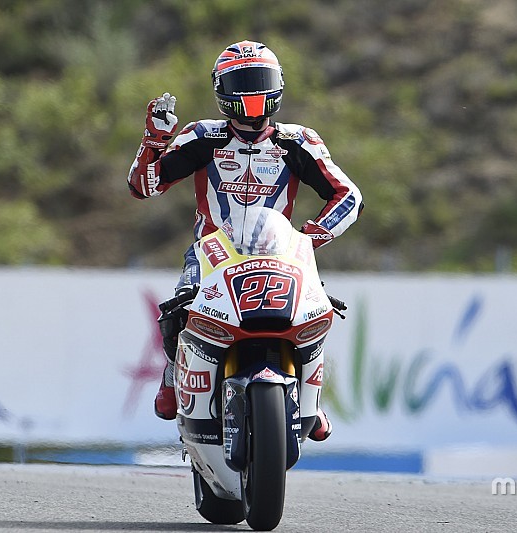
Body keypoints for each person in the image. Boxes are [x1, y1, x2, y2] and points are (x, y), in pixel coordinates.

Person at [126, 40, 363, 441]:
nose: (253, 95)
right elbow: (144, 188)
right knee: (175, 310)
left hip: (281, 251)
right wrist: (153, 142)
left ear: (280, 87)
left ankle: (312, 402)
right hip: (211, 250)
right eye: (243, 83)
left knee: (315, 311)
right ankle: (172, 373)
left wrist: (310, 237)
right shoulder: (201, 136)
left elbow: (349, 196)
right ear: (222, 91)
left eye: (261, 82)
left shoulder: (298, 141)